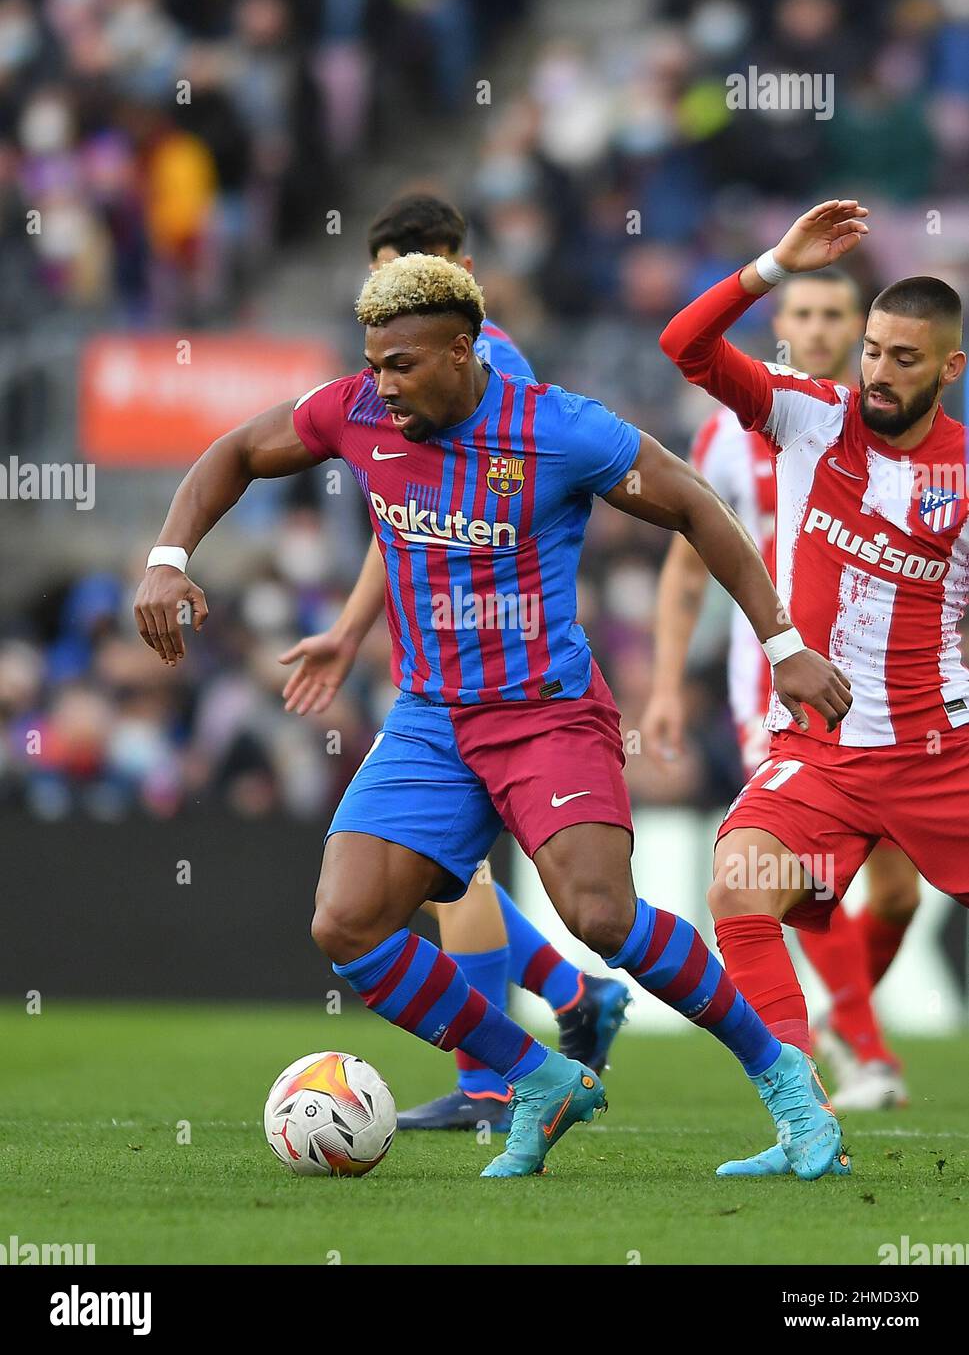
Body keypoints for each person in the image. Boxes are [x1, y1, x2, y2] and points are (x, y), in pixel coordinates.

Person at [134, 252, 852, 1179]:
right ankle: (538, 1078)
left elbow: (699, 510)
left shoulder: (555, 428)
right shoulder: (354, 412)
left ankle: (790, 1091)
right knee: (345, 924)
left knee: (599, 916)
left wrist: (783, 642)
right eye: (373, 363)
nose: (381, 384)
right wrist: (166, 554)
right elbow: (233, 452)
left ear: (465, 351)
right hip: (432, 720)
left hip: (544, 715)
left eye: (402, 365)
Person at [280, 193, 631, 1133]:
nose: (389, 281)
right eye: (378, 263)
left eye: (411, 260)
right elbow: (399, 514)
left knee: (454, 880)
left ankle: (494, 1079)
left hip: (505, 667)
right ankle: (568, 998)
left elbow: (489, 504)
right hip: (436, 664)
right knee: (430, 884)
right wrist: (355, 626)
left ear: (456, 270)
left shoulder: (482, 365)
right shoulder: (396, 370)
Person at [659, 198, 969, 1176]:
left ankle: (853, 1038)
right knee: (739, 884)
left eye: (903, 359)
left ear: (949, 369)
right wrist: (771, 267)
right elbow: (685, 344)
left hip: (940, 744)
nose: (876, 370)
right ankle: (806, 1120)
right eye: (873, 349)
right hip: (823, 749)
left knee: (887, 904)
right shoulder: (807, 416)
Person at [644, 267, 916, 1112]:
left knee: (898, 892)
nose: (821, 326)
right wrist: (661, 684)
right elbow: (688, 563)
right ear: (783, 326)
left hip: (896, 697)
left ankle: (839, 1019)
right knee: (794, 874)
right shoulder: (738, 432)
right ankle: (855, 1054)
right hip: (778, 689)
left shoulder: (903, 435)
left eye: (838, 313)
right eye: (804, 311)